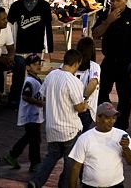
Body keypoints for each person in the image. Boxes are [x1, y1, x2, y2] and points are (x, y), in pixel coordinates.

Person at [30, 50, 89, 188]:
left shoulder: (51, 75)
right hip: (70, 128)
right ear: (76, 64)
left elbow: (41, 95)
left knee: (51, 157)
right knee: (70, 163)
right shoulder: (74, 81)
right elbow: (79, 108)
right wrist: (85, 104)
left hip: (52, 126)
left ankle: (36, 182)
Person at [93, 0, 131, 131]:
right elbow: (96, 34)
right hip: (109, 60)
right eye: (113, 1)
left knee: (125, 96)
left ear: (126, 0)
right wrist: (108, 21)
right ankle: (107, 117)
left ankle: (122, 126)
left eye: (119, 0)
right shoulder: (106, 15)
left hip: (126, 63)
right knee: (101, 92)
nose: (115, 4)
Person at [66, 101, 131, 188]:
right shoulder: (85, 138)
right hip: (90, 186)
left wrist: (126, 148)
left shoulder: (121, 135)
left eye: (114, 118)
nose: (111, 121)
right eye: (107, 118)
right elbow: (76, 168)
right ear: (98, 118)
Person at [1, 54, 44, 172]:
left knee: (29, 137)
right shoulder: (30, 81)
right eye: (35, 64)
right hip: (31, 115)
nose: (38, 66)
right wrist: (39, 103)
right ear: (28, 67)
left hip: (34, 115)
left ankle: (13, 155)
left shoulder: (35, 79)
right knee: (34, 139)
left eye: (39, 63)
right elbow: (26, 96)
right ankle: (35, 163)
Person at [75, 37, 100, 130]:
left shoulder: (70, 63)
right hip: (86, 108)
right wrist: (84, 98)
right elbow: (93, 82)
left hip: (71, 105)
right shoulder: (94, 66)